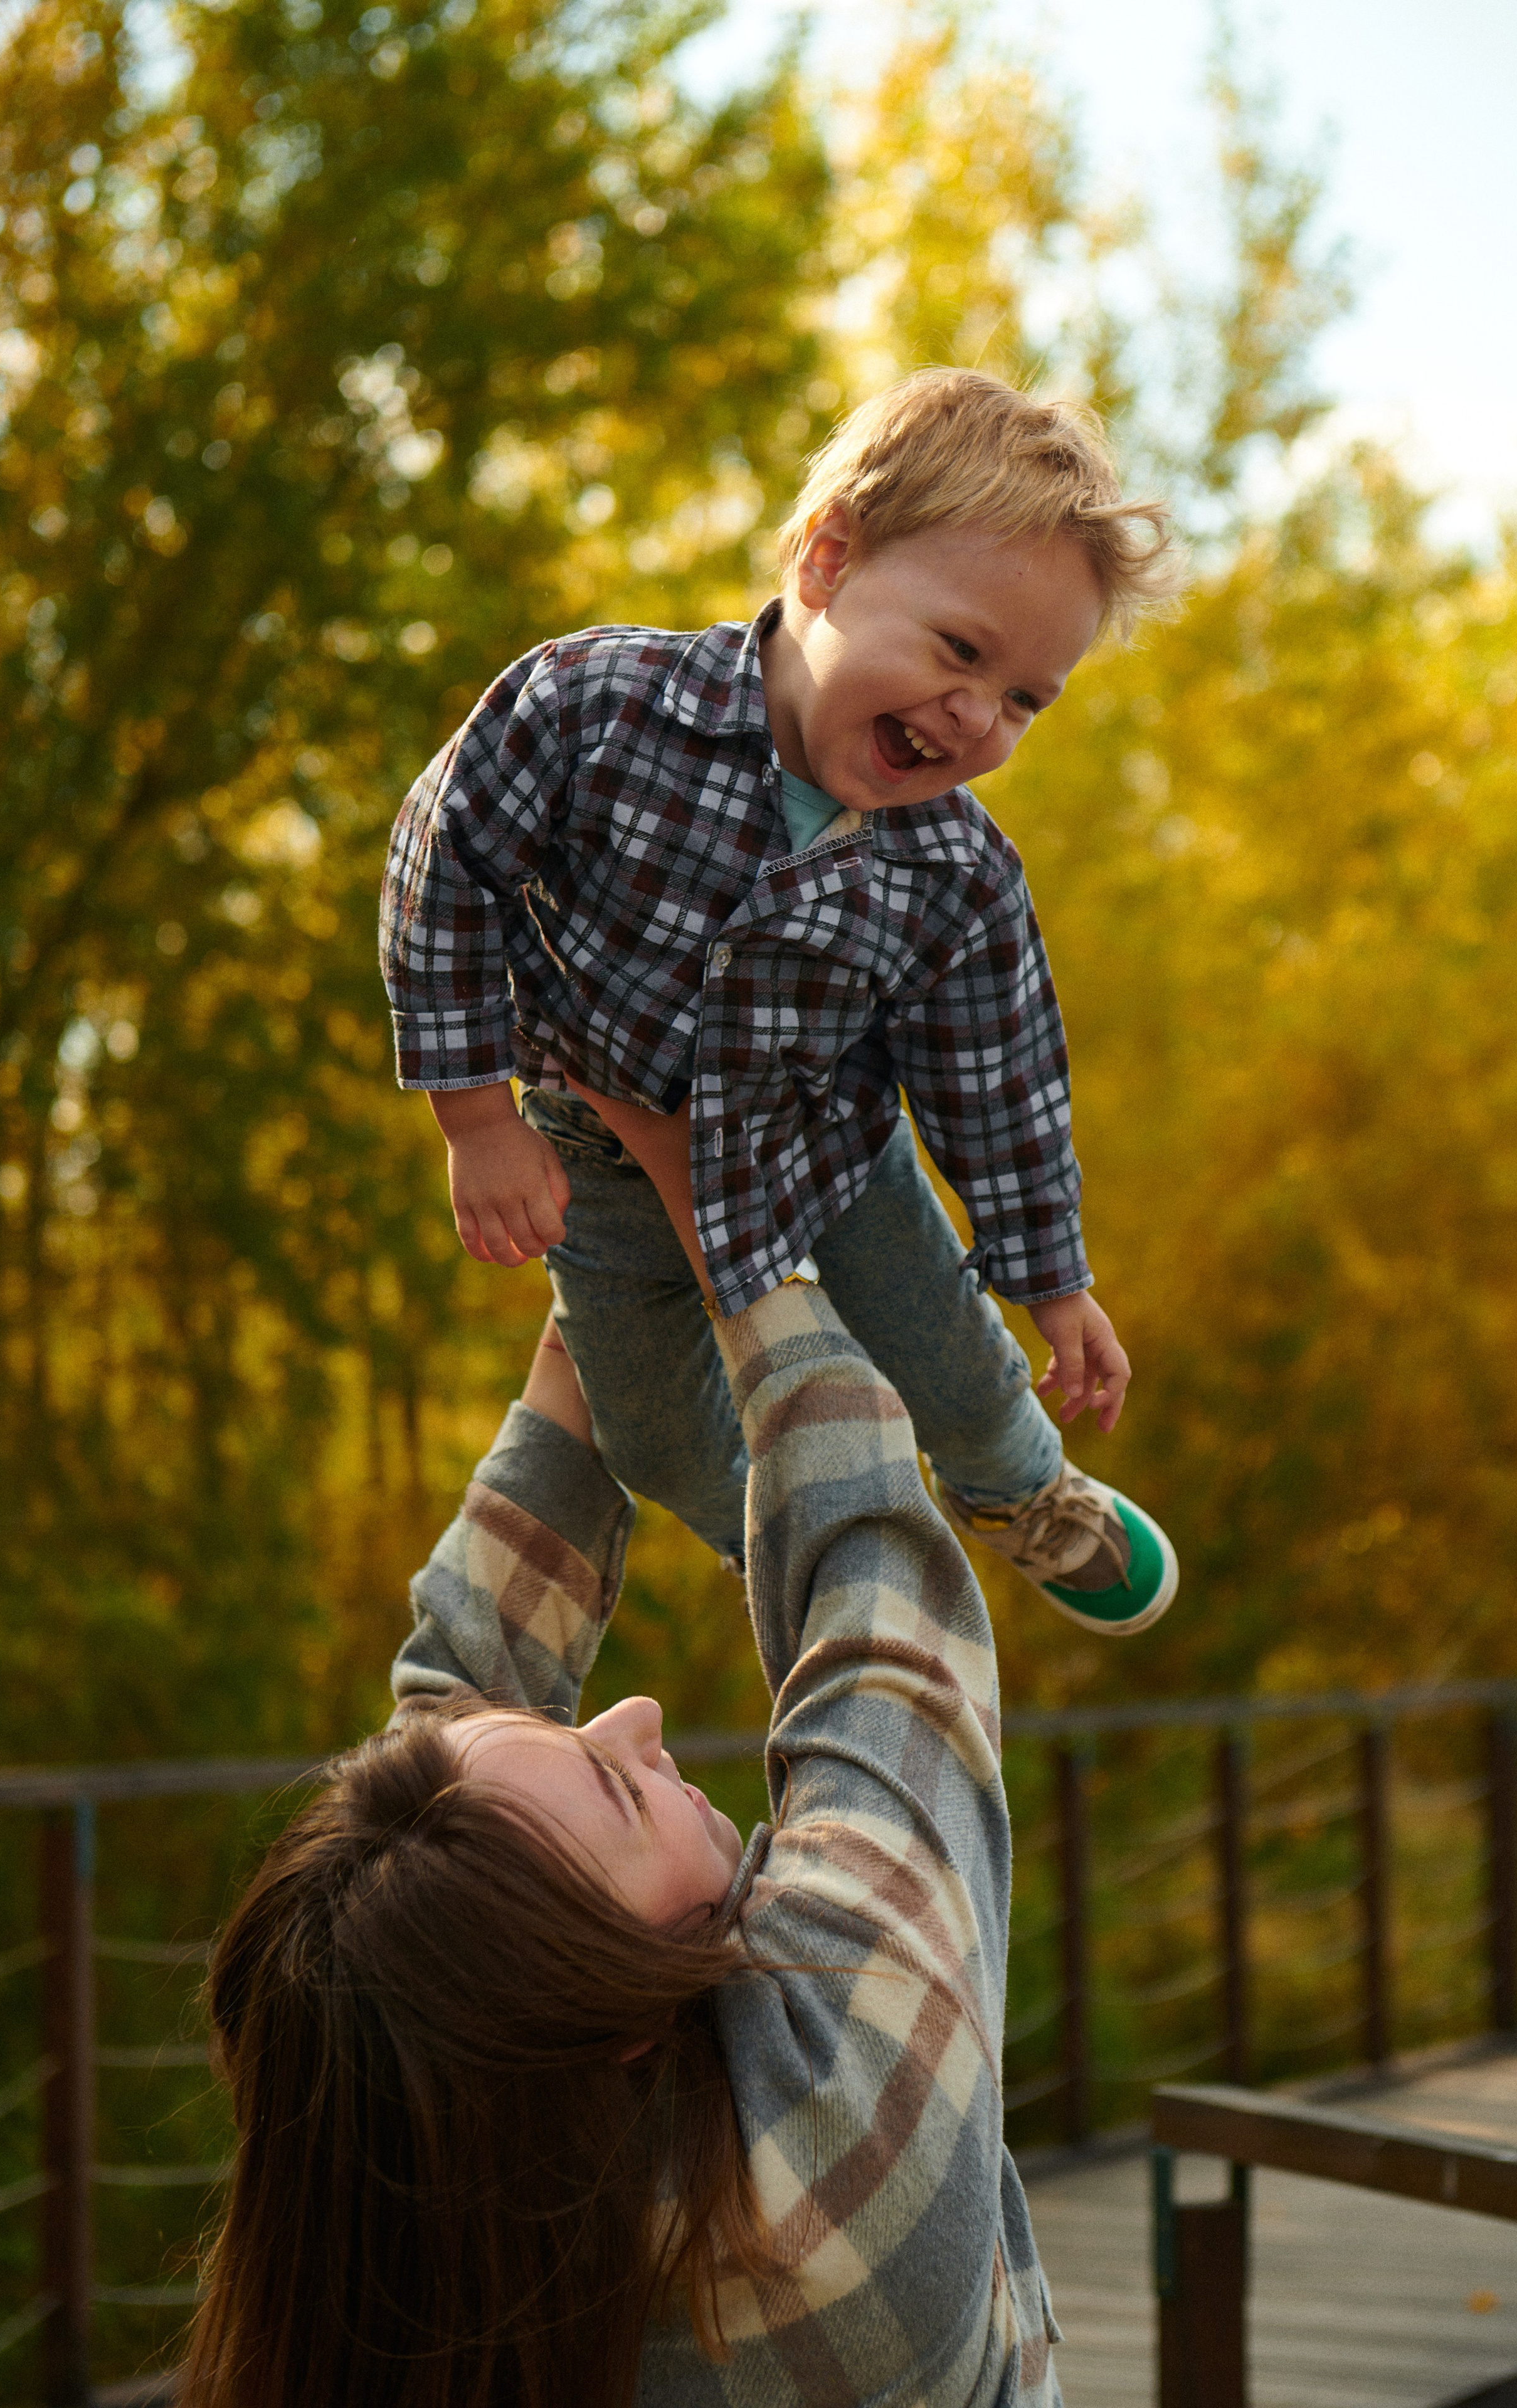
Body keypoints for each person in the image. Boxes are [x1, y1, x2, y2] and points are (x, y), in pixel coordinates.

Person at [379, 367, 1181, 1634]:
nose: (976, 715)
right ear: (825, 561)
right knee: (644, 1427)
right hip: (605, 1162)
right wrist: (475, 1117)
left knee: (946, 1354)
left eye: (1024, 698)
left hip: (832, 1151)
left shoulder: (955, 874)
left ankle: (1026, 1491)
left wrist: (1056, 1285)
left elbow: (997, 1081)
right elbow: (449, 861)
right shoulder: (599, 710)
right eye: (959, 651)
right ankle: (827, 1560)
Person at [184, 1281, 1062, 2408]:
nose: (637, 1714)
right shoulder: (827, 2190)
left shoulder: (396, 2125)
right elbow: (887, 1624)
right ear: (617, 2013)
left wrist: (596, 1304)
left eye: (575, 1734)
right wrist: (750, 1247)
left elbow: (451, 1785)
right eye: (616, 1788)